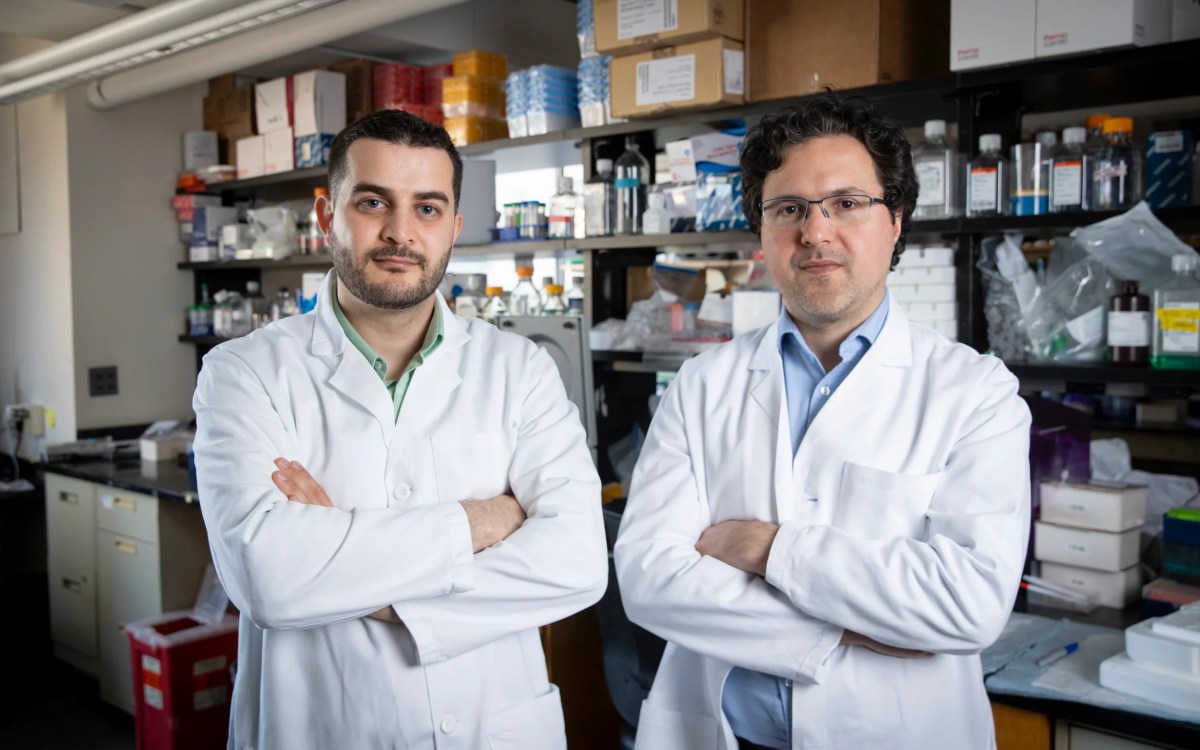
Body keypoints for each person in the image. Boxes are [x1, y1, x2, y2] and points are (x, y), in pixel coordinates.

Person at [613, 92, 1031, 750]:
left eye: (846, 203)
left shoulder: (976, 394)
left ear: (896, 222)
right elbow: (649, 581)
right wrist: (843, 629)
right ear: (763, 231)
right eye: (789, 209)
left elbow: (968, 604)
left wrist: (762, 547)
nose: (815, 232)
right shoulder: (702, 384)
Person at [192, 109, 607, 750]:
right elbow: (267, 580)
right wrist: (483, 522)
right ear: (327, 213)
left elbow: (579, 561)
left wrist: (369, 590)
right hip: (326, 728)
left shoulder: (519, 368)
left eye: (428, 208)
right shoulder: (244, 373)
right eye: (373, 201)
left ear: (455, 228)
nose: (399, 232)